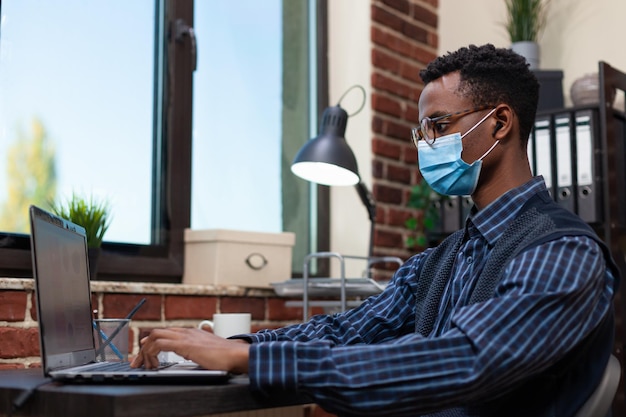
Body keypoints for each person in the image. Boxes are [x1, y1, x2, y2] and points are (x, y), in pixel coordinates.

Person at [132, 44, 620, 417]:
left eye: (439, 125)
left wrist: (249, 363)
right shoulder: (445, 258)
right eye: (422, 131)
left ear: (499, 124)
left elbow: (466, 360)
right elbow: (348, 330)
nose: (426, 144)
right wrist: (241, 347)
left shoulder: (563, 252)